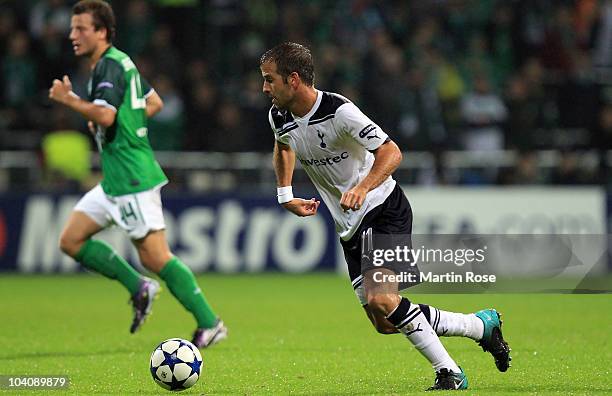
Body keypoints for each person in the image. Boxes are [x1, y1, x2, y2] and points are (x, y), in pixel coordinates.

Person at [260, 42, 511, 390]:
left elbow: (391, 152)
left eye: (270, 80)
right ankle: (479, 326)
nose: (264, 88)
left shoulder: (340, 112)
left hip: (382, 208)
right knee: (385, 320)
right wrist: (285, 194)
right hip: (349, 224)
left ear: (293, 79)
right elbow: (283, 145)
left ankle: (449, 373)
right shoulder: (279, 116)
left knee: (382, 299)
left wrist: (363, 187)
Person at [48, 0, 226, 349]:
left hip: (132, 177)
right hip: (114, 179)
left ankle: (211, 322)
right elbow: (154, 102)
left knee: (156, 257)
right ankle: (139, 286)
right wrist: (121, 117)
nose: (73, 35)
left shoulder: (109, 67)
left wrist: (70, 101)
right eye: (73, 28)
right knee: (71, 240)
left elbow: (107, 117)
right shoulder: (118, 62)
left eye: (81, 28)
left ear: (101, 31)